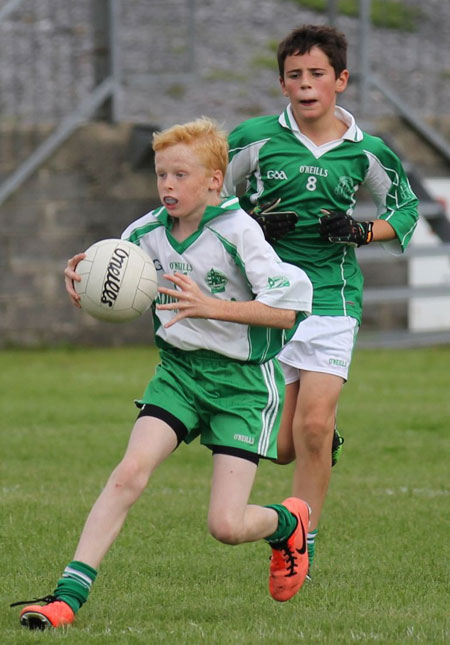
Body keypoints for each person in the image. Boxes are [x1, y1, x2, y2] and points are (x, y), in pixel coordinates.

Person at [12, 117, 314, 630]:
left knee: (225, 524)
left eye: (180, 175)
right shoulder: (145, 234)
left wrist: (212, 306)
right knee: (129, 472)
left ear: (215, 181)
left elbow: (290, 309)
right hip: (178, 374)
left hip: (241, 385)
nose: (168, 186)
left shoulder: (241, 232)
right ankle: (66, 597)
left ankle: (288, 522)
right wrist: (82, 278)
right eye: (161, 175)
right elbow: (113, 272)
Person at [223, 24, 419, 577]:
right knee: (282, 446)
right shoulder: (254, 138)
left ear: (341, 81)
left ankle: (301, 541)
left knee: (310, 427)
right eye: (295, 75)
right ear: (282, 84)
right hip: (271, 300)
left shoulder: (367, 151)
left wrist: (361, 231)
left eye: (317, 74)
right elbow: (213, 197)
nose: (306, 84)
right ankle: (322, 438)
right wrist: (254, 223)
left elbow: (404, 210)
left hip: (332, 300)